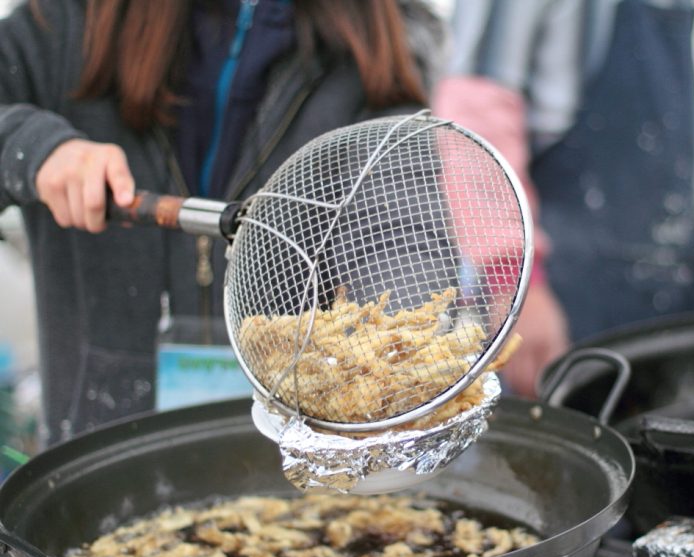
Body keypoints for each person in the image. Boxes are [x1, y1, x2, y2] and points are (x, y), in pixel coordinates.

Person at [0, 0, 442, 446]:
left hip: (283, 460)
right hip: (96, 444)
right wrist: (33, 146)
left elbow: (402, 237)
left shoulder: (370, 41)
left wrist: (398, 352)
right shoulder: (67, 22)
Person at [434, 0, 694, 397]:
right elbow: (475, 119)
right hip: (563, 301)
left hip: (670, 295)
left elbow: (686, 126)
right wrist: (516, 283)